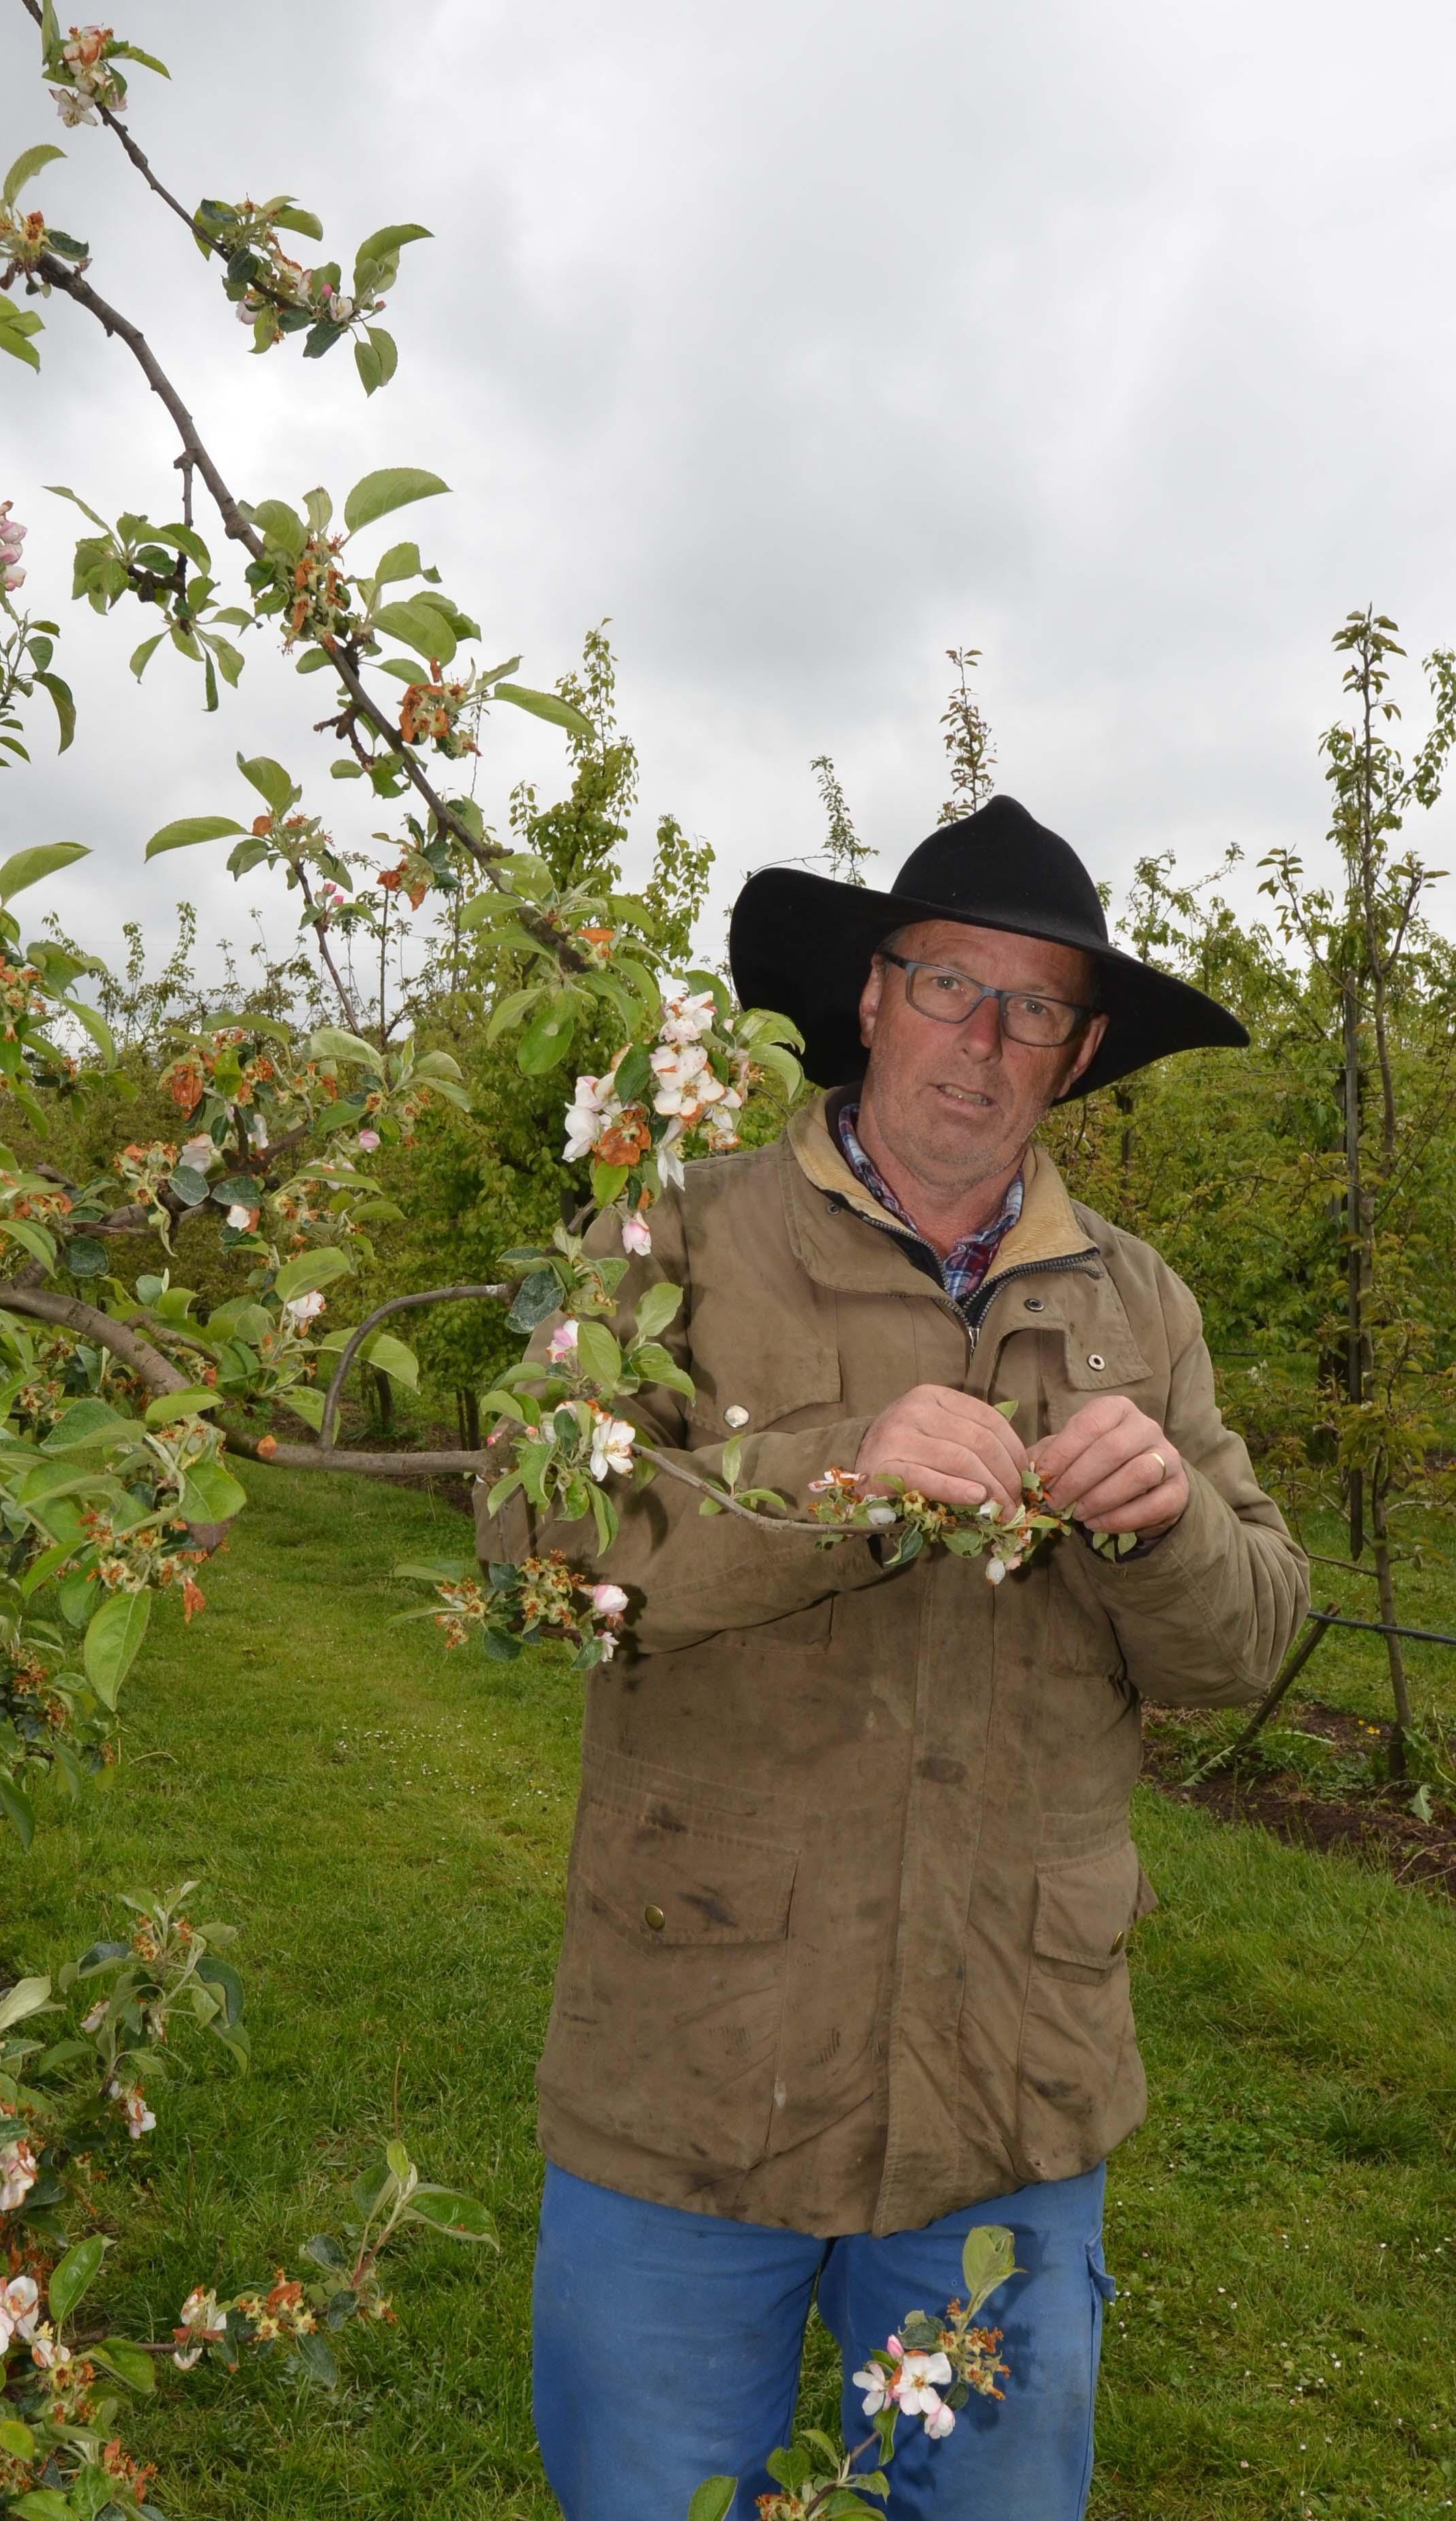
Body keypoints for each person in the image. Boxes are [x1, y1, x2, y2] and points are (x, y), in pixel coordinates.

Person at [479, 795, 1309, 2521]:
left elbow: (1248, 1641)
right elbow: (532, 1544)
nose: (982, 1041)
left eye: (1033, 1012)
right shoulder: (677, 1239)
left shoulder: (1140, 1309)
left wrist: (1170, 1531)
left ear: (1077, 1056)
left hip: (1009, 2088)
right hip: (695, 2055)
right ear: (868, 996)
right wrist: (830, 1474)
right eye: (947, 984)